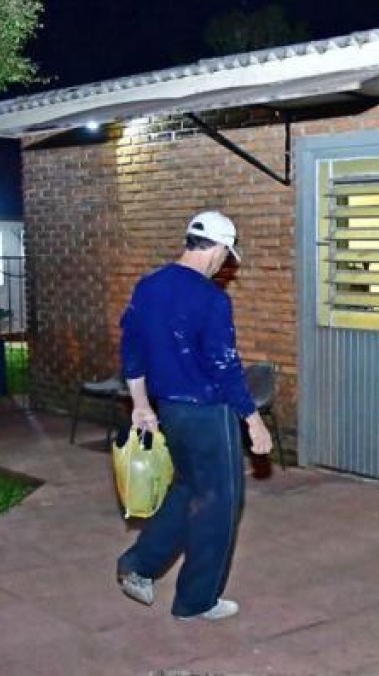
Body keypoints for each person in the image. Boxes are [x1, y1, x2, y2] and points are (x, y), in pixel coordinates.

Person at [115, 210, 272, 621]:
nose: (224, 264)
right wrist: (253, 420)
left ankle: (139, 564)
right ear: (218, 249)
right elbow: (225, 366)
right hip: (207, 413)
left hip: (170, 410)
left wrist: (141, 404)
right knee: (220, 504)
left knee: (189, 490)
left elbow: (132, 349)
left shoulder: (148, 286)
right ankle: (196, 600)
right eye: (226, 256)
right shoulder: (211, 298)